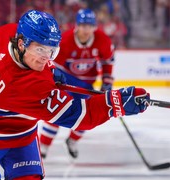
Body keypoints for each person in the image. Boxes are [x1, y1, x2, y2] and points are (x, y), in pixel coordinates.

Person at [0, 9, 150, 180]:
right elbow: (82, 116)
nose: (46, 58)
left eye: (51, 51)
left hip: (20, 133)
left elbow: (16, 56)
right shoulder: (26, 87)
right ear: (21, 44)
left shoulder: (6, 32)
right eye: (40, 50)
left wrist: (50, 72)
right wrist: (118, 102)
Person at [39, 8, 115, 159]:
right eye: (82, 25)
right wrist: (56, 79)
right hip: (67, 82)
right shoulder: (66, 40)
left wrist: (107, 81)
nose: (85, 30)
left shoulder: (103, 40)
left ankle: (72, 141)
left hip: (86, 85)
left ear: (94, 27)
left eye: (89, 26)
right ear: (77, 26)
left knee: (87, 116)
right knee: (56, 111)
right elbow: (54, 65)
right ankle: (44, 146)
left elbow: (108, 61)